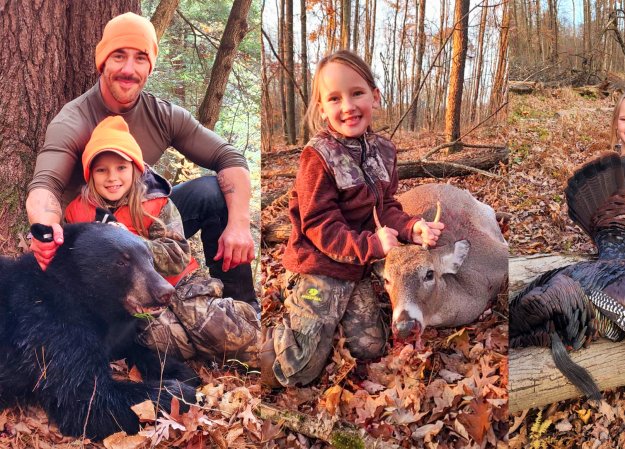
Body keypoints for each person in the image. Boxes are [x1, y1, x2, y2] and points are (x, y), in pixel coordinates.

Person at [25, 12, 257, 306]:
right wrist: (46, 229)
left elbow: (229, 156)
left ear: (150, 66)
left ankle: (242, 308)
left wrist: (239, 224)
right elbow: (45, 184)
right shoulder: (73, 120)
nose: (129, 69)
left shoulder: (164, 116)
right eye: (119, 56)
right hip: (91, 237)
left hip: (142, 224)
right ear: (103, 61)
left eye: (140, 58)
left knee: (212, 192)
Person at [262, 50, 444, 388]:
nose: (347, 106)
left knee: (371, 348)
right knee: (296, 371)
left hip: (358, 267)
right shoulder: (318, 157)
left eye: (356, 93)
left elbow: (386, 205)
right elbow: (319, 224)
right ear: (322, 108)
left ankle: (328, 324)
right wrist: (372, 244)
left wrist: (411, 227)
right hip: (320, 267)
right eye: (334, 98)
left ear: (374, 96)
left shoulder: (383, 150)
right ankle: (287, 320)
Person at [65, 115, 260, 367]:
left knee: (218, 330)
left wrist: (131, 241)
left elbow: (178, 255)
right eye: (102, 170)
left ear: (135, 169)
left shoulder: (156, 202)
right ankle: (201, 345)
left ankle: (242, 320)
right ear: (90, 174)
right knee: (164, 341)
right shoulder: (78, 214)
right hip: (138, 301)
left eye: (121, 168)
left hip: (181, 285)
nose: (112, 178)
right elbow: (76, 266)